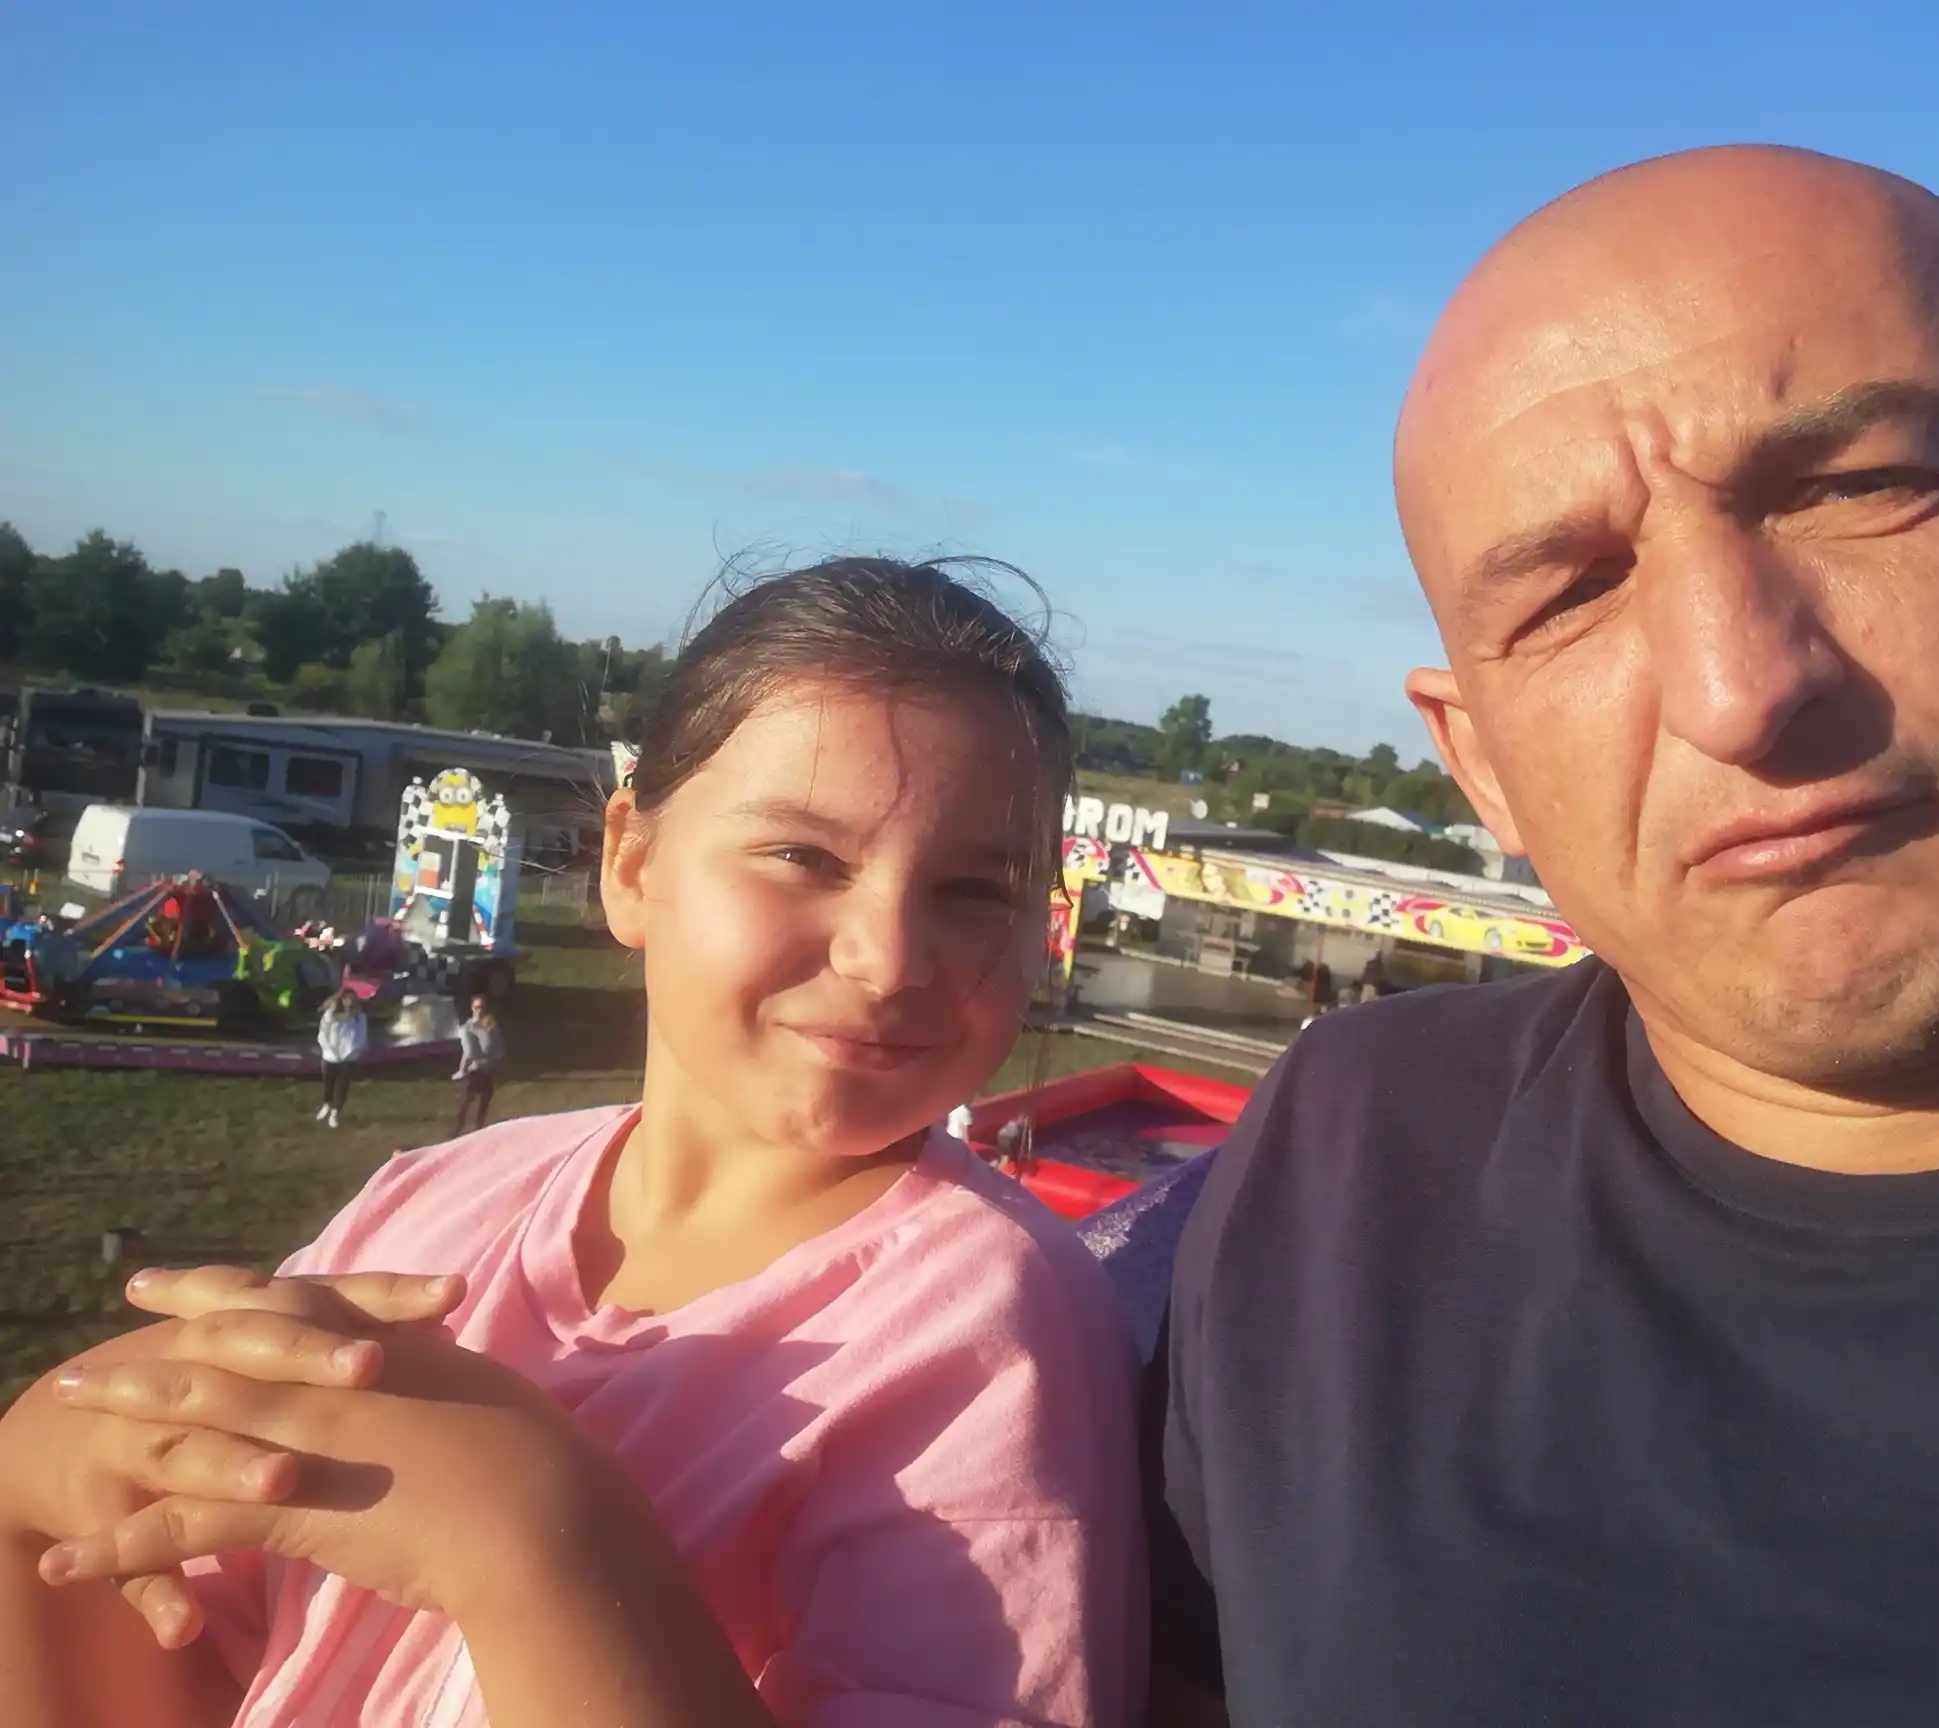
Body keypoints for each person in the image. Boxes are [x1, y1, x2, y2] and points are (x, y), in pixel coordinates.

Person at [1146, 147, 1939, 1727]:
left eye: (1854, 489)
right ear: (1480, 765)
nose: (1739, 687)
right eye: (1569, 593)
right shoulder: (1340, 1159)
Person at [0, 556, 1144, 1726]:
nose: (889, 957)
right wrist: (32, 1497)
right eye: (805, 858)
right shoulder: (429, 1204)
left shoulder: (988, 1337)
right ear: (632, 863)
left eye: (976, 892)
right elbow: (208, 1657)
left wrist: (532, 1541)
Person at [452, 992, 506, 1135]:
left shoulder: (491, 1025)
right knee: (466, 1100)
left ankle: (479, 1127)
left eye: (482, 1007)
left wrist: (495, 1060)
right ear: (472, 1008)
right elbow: (468, 1051)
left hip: (488, 1068)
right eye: (477, 1007)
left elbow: (498, 1045)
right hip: (474, 1069)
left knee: (485, 1100)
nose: (479, 1010)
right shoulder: (468, 1027)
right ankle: (458, 1127)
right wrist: (463, 1069)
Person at [314, 984, 366, 1128]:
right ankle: (326, 1105)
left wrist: (354, 1050)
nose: (350, 1003)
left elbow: (361, 1035)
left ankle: (335, 1113)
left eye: (353, 1000)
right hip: (330, 1056)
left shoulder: (359, 1017)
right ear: (342, 1000)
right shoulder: (330, 1016)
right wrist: (328, 1049)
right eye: (347, 999)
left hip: (348, 1057)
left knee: (342, 1086)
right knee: (328, 1083)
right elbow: (322, 1034)